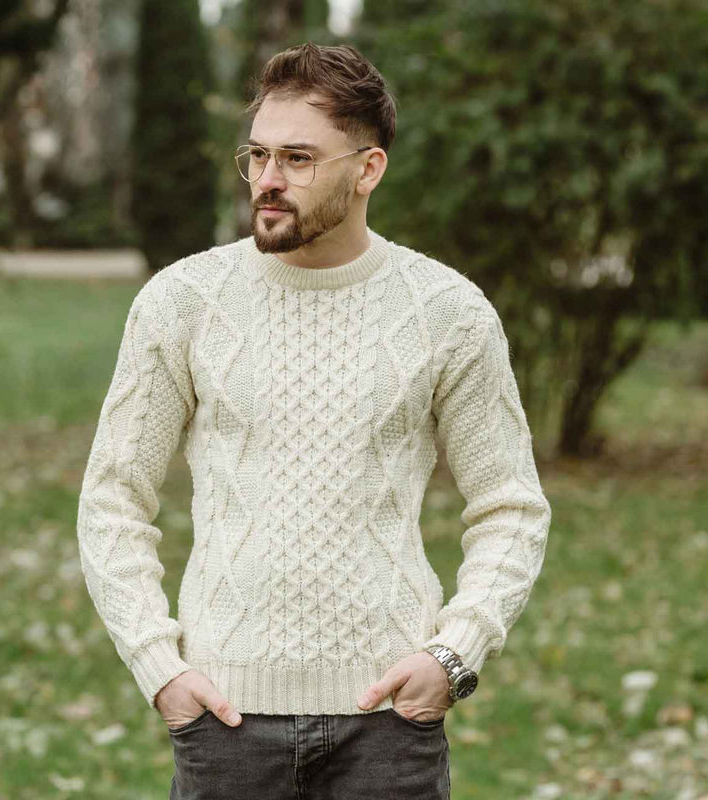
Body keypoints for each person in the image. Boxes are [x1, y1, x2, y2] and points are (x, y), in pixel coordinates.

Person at [76, 41, 551, 799]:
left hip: (391, 727)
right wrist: (158, 666)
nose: (267, 181)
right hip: (224, 728)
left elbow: (512, 507)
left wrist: (454, 656)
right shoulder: (183, 302)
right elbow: (112, 498)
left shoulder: (447, 313)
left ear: (368, 169)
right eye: (257, 155)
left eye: (298, 158)